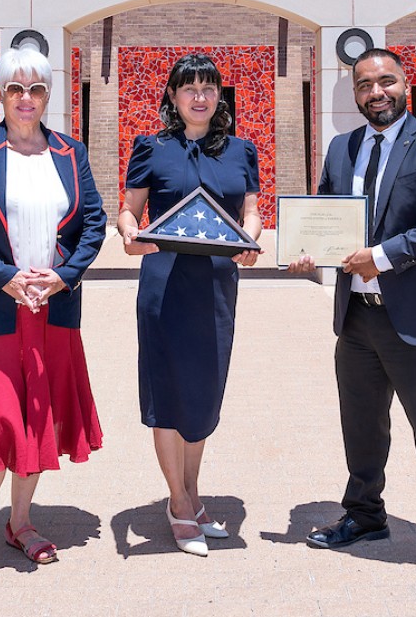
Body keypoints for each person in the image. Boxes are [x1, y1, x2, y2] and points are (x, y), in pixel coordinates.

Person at [289, 48, 416, 595]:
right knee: (362, 425)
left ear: (404, 84)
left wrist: (383, 255)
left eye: (386, 81)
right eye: (365, 84)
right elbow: (324, 212)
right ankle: (366, 515)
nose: (377, 92)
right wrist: (306, 250)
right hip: (357, 317)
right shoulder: (342, 147)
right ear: (354, 93)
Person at [0, 46, 106, 597]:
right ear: (2, 94)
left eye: (35, 89)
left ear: (48, 95)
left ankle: (22, 522)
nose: (25, 99)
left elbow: (94, 222)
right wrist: (3, 276)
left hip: (52, 308)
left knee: (37, 419)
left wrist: (65, 275)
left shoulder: (69, 151)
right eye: (15, 88)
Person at [117, 53, 262, 557]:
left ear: (219, 96)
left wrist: (251, 241)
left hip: (217, 284)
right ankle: (178, 504)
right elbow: (129, 212)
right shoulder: (151, 148)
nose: (199, 97)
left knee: (203, 391)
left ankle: (194, 496)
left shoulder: (242, 150)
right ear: (173, 98)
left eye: (208, 88)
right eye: (188, 88)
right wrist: (130, 235)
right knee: (167, 392)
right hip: (164, 283)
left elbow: (252, 213)